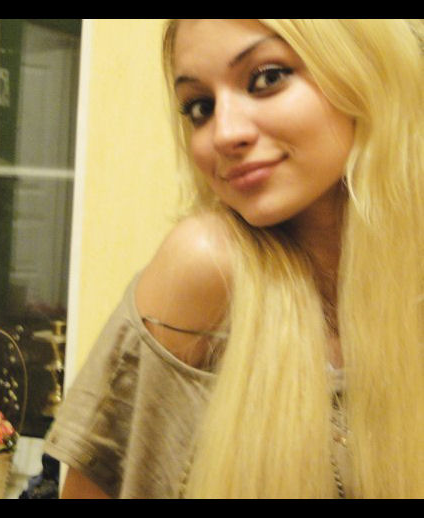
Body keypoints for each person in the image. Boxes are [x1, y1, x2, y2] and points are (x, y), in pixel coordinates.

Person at [43, 19, 423, 499]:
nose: (224, 133)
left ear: (364, 66)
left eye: (267, 78)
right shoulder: (205, 268)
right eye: (200, 107)